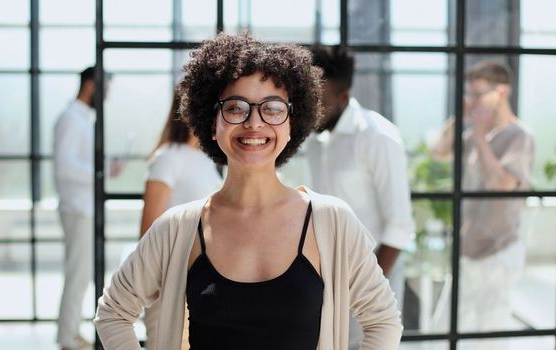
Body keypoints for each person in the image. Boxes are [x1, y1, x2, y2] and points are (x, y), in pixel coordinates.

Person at [94, 32, 402, 350]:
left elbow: (383, 322)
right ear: (212, 123)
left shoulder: (332, 221)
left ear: (291, 124)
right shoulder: (178, 227)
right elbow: (113, 313)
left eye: (272, 109)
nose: (254, 123)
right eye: (236, 107)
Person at [307, 45, 414, 349]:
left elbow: (400, 227)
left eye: (321, 102)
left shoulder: (377, 136)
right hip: (327, 280)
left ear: (343, 97)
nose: (313, 111)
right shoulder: (316, 142)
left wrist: (362, 286)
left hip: (371, 281)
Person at [431, 61, 534, 340]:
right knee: (442, 331)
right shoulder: (474, 134)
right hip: (468, 251)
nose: (473, 100)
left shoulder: (519, 136)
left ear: (501, 93)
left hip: (498, 252)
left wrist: (478, 134)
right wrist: (460, 116)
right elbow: (438, 151)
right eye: (470, 94)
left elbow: (501, 184)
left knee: (491, 337)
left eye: (478, 94)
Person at [139, 87, 222, 349]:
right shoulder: (168, 158)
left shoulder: (206, 160)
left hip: (203, 282)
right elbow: (148, 228)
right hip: (171, 284)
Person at [53, 67, 121, 350]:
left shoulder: (80, 119)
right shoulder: (71, 119)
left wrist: (105, 169)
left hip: (83, 208)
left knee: (80, 275)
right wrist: (100, 171)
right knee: (77, 275)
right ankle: (67, 337)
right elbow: (65, 167)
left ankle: (69, 334)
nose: (106, 97)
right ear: (91, 85)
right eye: (104, 89)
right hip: (77, 208)